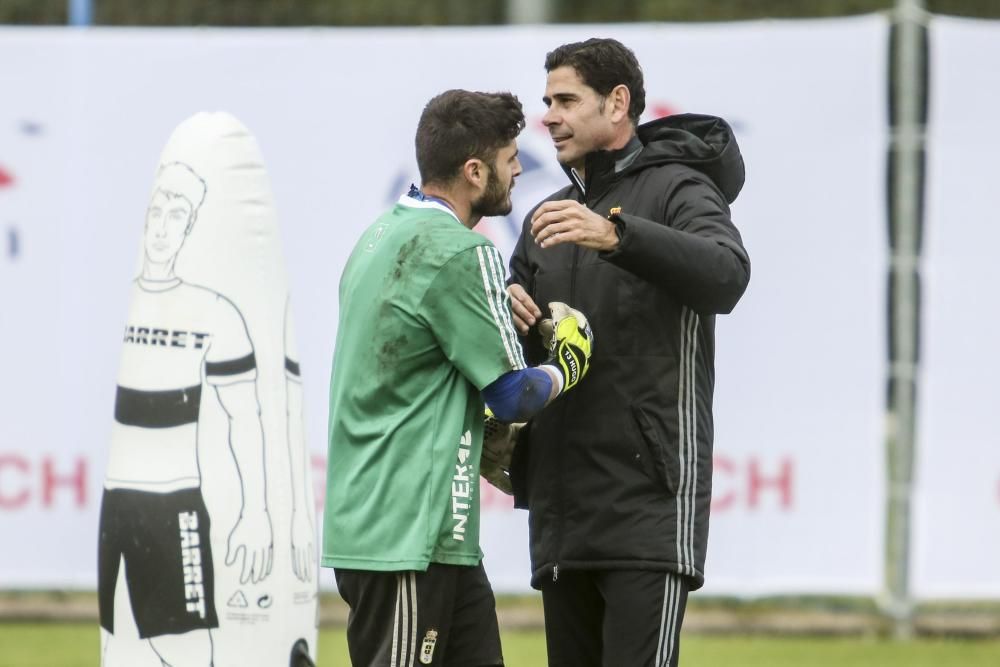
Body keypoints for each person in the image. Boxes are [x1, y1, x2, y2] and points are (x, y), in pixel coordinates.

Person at [322, 89, 593, 667]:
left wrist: (487, 306)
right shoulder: (461, 252)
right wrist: (568, 363)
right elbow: (514, 394)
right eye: (509, 157)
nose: (519, 168)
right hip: (403, 539)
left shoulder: (382, 235)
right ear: (475, 172)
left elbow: (423, 353)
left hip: (437, 540)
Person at [505, 38, 751, 667]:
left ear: (618, 104)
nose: (549, 117)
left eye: (566, 100)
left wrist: (620, 237)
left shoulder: (680, 187)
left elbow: (728, 275)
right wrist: (507, 309)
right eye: (547, 102)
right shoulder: (545, 219)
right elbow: (518, 355)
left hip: (648, 503)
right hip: (563, 513)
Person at [100, 162, 274, 666]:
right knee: (118, 648)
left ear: (192, 225)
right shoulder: (122, 302)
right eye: (155, 212)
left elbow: (245, 415)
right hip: (116, 504)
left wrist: (255, 512)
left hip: (172, 504)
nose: (161, 227)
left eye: (175, 214)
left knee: (186, 651)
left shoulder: (215, 312)